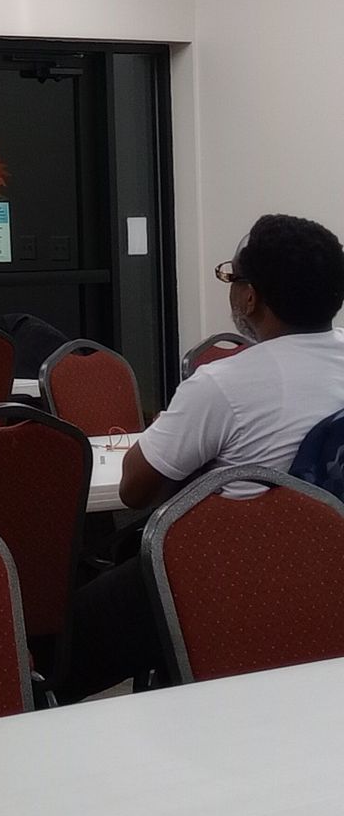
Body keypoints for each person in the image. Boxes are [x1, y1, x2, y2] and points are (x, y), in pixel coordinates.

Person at [64, 214, 344, 699]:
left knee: (69, 634)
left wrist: (171, 432)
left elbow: (134, 488)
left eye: (231, 278)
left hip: (231, 580)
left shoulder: (224, 383)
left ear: (250, 297)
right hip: (329, 580)